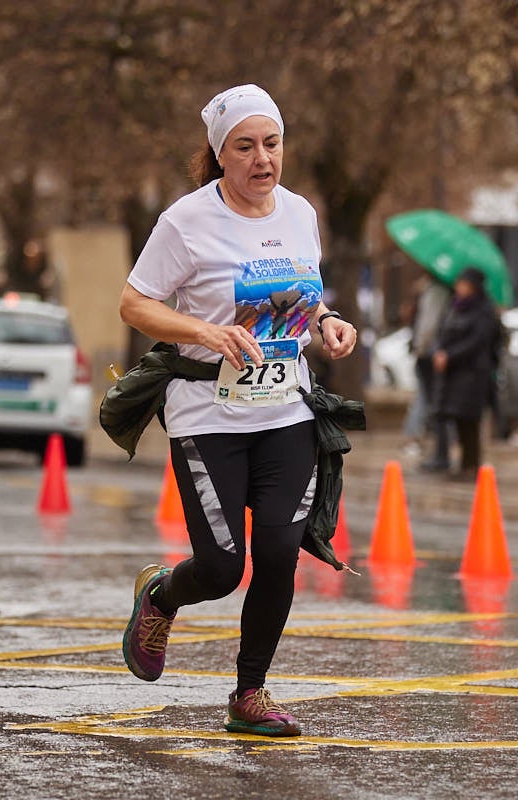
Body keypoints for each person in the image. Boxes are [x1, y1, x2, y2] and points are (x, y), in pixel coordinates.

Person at [116, 84, 357, 738]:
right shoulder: (185, 222)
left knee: (279, 554)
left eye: (271, 144)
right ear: (220, 154)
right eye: (245, 147)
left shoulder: (301, 214)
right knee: (223, 567)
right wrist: (203, 331)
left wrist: (329, 322)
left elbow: (305, 299)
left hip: (285, 411)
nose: (262, 159)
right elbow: (135, 305)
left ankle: (249, 695)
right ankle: (161, 597)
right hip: (207, 417)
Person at [426, 267, 500, 479]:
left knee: (470, 420)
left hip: (473, 373)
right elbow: (443, 331)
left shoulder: (484, 310)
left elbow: (478, 341)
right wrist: (440, 351)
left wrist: (450, 355)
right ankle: (463, 465)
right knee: (457, 418)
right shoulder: (455, 307)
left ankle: (472, 465)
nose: (459, 288)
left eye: (463, 284)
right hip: (454, 373)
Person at [403, 274, 450, 452]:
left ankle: (415, 435)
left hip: (427, 350)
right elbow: (428, 325)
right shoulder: (437, 291)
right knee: (427, 396)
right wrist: (422, 347)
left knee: (426, 396)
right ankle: (414, 435)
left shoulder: (426, 289)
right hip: (430, 352)